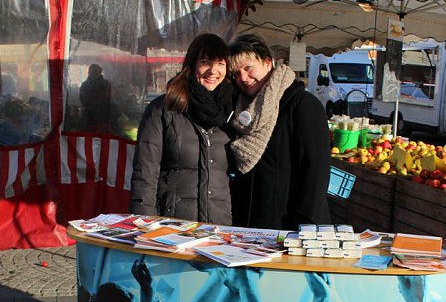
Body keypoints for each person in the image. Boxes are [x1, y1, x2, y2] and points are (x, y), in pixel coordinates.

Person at [227, 34, 331, 230]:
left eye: (248, 68)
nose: (243, 78)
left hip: (288, 228)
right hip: (248, 228)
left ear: (268, 63)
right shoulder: (238, 110)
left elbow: (315, 174)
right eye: (236, 73)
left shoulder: (302, 105)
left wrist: (303, 228)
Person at [129, 34, 235, 225]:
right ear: (192, 64)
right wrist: (144, 221)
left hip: (219, 226)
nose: (213, 71)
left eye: (220, 63)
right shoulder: (165, 108)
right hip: (172, 224)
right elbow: (145, 171)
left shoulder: (231, 112)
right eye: (205, 62)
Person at [79, 64, 113, 133]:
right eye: (92, 71)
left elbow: (106, 98)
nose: (93, 73)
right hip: (89, 116)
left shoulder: (105, 84)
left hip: (102, 117)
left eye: (95, 72)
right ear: (89, 72)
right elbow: (83, 99)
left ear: (100, 72)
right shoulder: (85, 85)